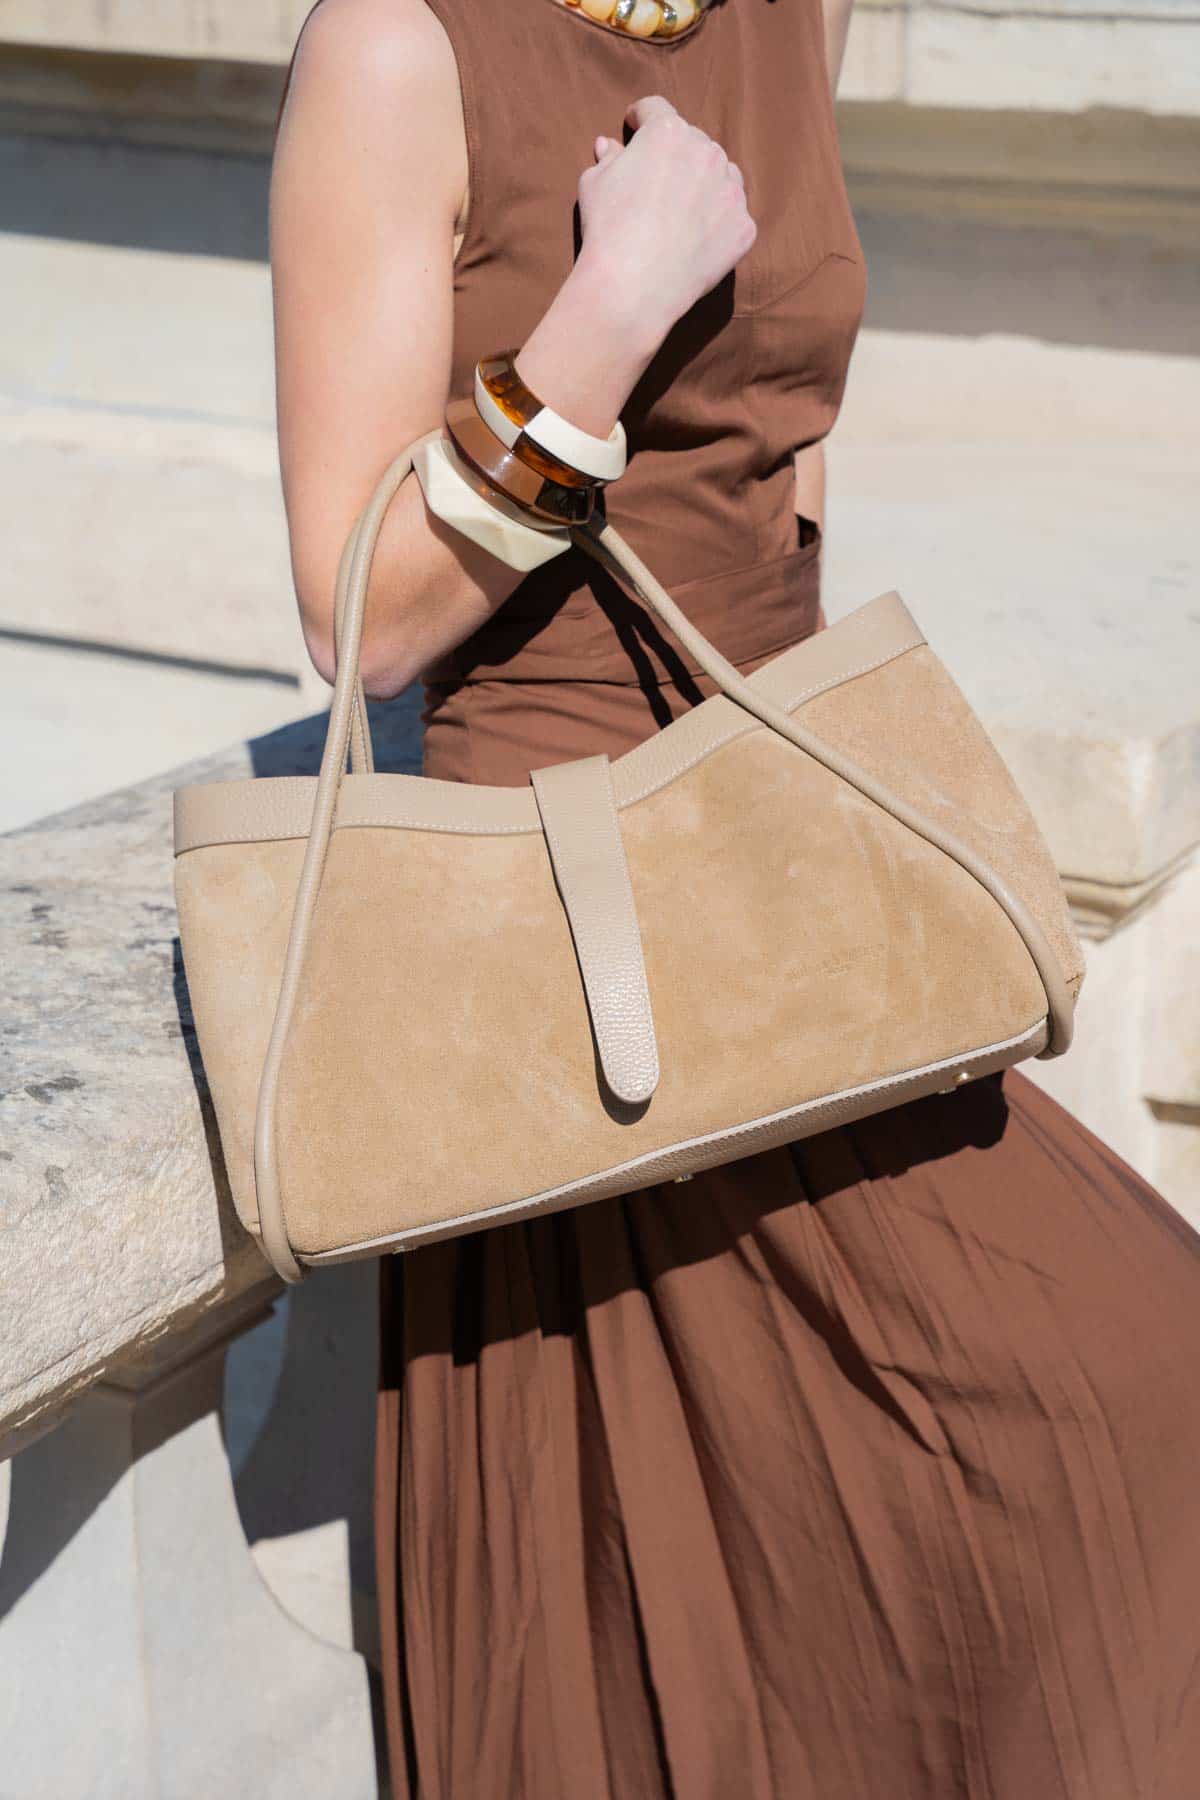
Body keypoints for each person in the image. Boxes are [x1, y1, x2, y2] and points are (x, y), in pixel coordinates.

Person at [268, 0, 1200, 1792]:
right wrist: (605, 321)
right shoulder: (396, 46)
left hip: (791, 888)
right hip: (581, 949)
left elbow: (784, 456)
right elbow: (354, 613)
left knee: (1119, 1426)